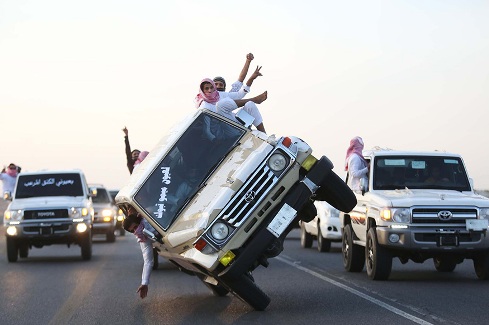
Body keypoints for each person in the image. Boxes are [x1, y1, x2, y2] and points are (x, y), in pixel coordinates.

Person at [195, 78, 268, 133]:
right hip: (226, 130)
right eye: (206, 88)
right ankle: (255, 99)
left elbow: (239, 94)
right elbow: (207, 128)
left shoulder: (219, 95)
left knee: (250, 104)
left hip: (237, 123)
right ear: (202, 90)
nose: (210, 90)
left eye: (211, 87)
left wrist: (251, 78)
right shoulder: (204, 105)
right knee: (220, 105)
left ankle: (265, 136)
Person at [123, 207, 157, 299]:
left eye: (135, 227)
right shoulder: (143, 238)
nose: (135, 231)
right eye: (132, 230)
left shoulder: (148, 216)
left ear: (139, 219)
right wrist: (144, 283)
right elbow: (148, 262)